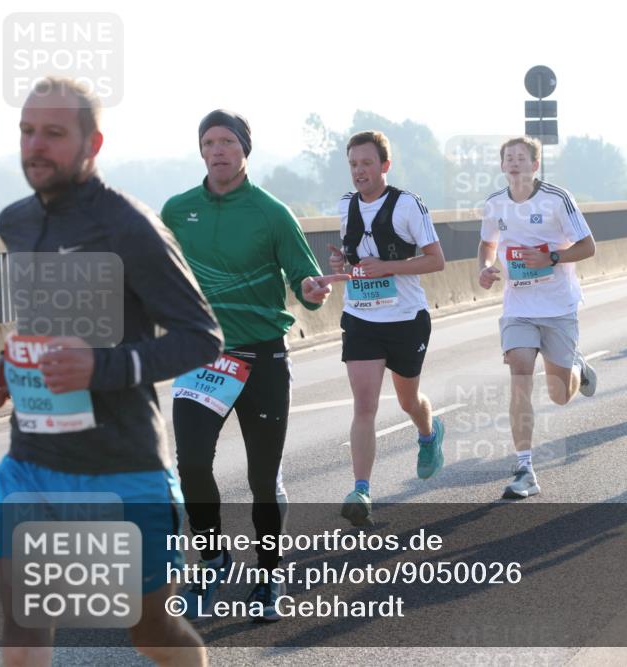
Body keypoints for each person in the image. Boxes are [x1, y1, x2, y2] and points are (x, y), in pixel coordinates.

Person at [0, 77, 220, 666]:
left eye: (54, 134)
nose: (35, 145)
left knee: (153, 634)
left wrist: (98, 367)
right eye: (27, 131)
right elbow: (48, 327)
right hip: (30, 465)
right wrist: (8, 369)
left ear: (93, 143)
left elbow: (201, 338)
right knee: (22, 643)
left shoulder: (129, 227)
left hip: (121, 468)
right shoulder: (15, 222)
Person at [161, 109, 345, 622]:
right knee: (193, 463)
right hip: (203, 356)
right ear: (200, 151)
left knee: (263, 478)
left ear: (244, 149)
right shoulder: (177, 210)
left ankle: (269, 573)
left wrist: (311, 291)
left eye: (226, 141)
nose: (217, 149)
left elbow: (306, 281)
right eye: (209, 142)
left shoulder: (271, 212)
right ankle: (213, 555)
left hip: (263, 354)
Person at [327, 131, 446, 527]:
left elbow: (436, 261)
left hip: (406, 319)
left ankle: (429, 433)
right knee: (365, 405)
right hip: (361, 317)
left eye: (366, 163)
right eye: (353, 164)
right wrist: (342, 265)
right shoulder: (345, 206)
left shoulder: (407, 205)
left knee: (408, 400)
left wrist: (390, 266)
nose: (359, 171)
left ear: (384, 165)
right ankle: (361, 489)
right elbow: (353, 259)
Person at [478, 136, 597, 499]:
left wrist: (552, 259)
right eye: (508, 158)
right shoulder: (495, 204)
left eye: (521, 158)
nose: (514, 163)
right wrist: (484, 267)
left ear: (535, 164)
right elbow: (488, 243)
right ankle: (525, 467)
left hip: (558, 307)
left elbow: (588, 246)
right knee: (520, 373)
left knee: (560, 394)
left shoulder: (557, 199)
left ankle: (576, 365)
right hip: (518, 308)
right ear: (502, 166)